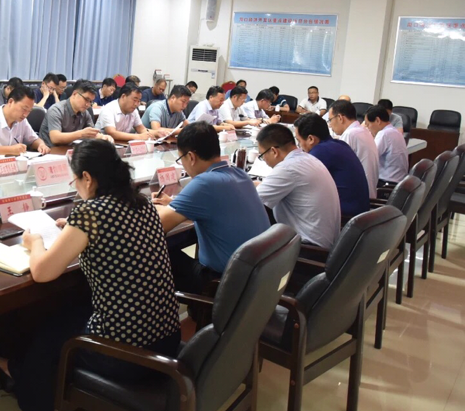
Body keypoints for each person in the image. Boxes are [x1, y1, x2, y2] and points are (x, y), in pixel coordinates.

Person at [0, 139, 181, 411]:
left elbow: (42, 272)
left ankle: (25, 384)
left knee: (50, 335)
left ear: (87, 177)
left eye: (75, 180)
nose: (76, 187)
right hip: (166, 342)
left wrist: (36, 242)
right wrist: (72, 230)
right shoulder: (142, 203)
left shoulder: (90, 212)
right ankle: (36, 378)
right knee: (70, 315)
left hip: (123, 356)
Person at [152, 122, 270, 294]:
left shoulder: (204, 183)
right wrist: (172, 204)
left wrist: (154, 207)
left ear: (191, 157)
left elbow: (157, 226)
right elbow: (216, 210)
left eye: (180, 159)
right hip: (258, 277)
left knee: (161, 252)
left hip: (225, 283)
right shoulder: (240, 174)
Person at [256, 124, 341, 249]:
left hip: (309, 250)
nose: (264, 160)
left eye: (262, 155)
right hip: (325, 244)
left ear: (274, 151)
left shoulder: (287, 168)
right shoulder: (308, 159)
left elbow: (253, 203)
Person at [294, 113, 370, 218]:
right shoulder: (340, 144)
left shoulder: (321, 151)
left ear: (311, 139)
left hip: (345, 215)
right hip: (360, 213)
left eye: (299, 141)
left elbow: (298, 182)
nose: (300, 146)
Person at [0, 83, 51, 155]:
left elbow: (33, 140)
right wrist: (10, 150)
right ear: (10, 102)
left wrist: (41, 145)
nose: (25, 115)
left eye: (29, 111)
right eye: (24, 109)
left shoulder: (22, 120)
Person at [327, 100, 379, 198]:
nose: (330, 124)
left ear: (340, 118)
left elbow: (337, 166)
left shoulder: (350, 134)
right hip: (368, 192)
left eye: (330, 120)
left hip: (358, 196)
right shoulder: (363, 131)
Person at [39, 80, 111, 147]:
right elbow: (55, 138)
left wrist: (103, 137)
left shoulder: (85, 112)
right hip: (50, 151)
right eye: (86, 99)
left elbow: (91, 133)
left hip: (69, 150)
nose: (88, 105)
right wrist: (81, 134)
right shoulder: (56, 110)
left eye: (90, 102)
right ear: (75, 94)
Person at [95, 85, 165, 142]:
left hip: (122, 144)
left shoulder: (134, 111)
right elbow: (112, 133)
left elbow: (141, 129)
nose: (136, 104)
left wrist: (156, 133)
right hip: (103, 145)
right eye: (134, 100)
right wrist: (139, 137)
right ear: (123, 96)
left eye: (139, 101)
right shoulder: (109, 109)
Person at [365, 105, 409, 187]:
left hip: (386, 183)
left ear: (377, 120)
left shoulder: (384, 134)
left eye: (368, 124)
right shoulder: (395, 132)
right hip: (399, 182)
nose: (367, 128)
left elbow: (370, 158)